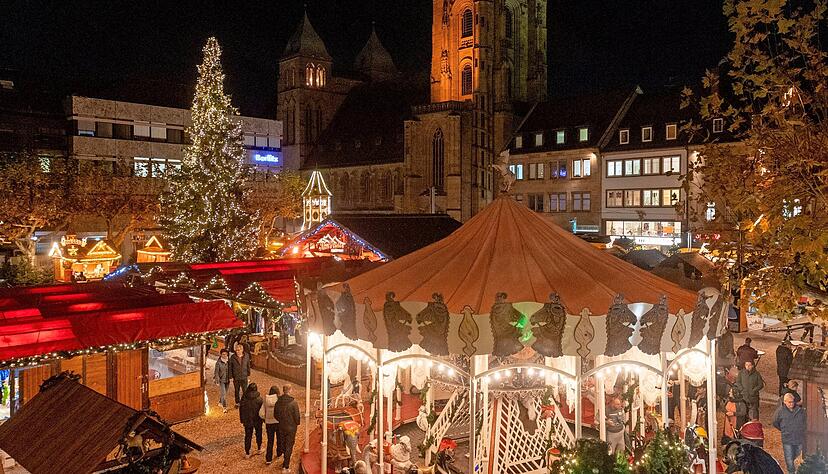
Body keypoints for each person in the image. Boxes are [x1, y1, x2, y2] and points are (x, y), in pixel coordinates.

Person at [773, 392, 806, 474]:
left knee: (797, 454)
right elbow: (775, 422)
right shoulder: (780, 411)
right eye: (789, 402)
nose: (791, 404)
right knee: (788, 458)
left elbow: (805, 422)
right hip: (787, 438)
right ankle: (791, 472)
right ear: (785, 402)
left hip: (799, 437)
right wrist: (783, 429)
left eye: (793, 401)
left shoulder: (800, 411)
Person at [275, 384, 301, 473]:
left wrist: (281, 421)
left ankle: (284, 458)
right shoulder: (293, 403)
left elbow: (275, 414)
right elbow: (297, 416)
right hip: (291, 427)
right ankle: (285, 466)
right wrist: (296, 423)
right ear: (290, 390)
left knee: (283, 442)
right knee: (289, 445)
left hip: (281, 426)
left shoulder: (278, 401)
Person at [239, 382, 264, 458]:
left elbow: (241, 410)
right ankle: (259, 448)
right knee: (258, 434)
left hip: (247, 420)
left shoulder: (244, 398)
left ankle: (247, 453)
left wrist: (242, 420)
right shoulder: (259, 399)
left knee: (248, 436)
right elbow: (262, 411)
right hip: (257, 420)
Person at [263, 385, 281, 466]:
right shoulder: (279, 400)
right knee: (279, 438)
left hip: (269, 423)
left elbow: (262, 412)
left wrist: (265, 419)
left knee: (270, 441)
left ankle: (268, 458)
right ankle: (279, 452)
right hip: (277, 422)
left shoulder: (265, 400)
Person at [229, 342, 250, 408]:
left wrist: (248, 373)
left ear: (242, 350)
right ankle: (237, 402)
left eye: (239, 350)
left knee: (245, 390)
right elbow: (230, 367)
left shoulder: (246, 355)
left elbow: (248, 365)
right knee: (237, 390)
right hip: (236, 377)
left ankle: (245, 402)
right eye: (236, 350)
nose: (237, 351)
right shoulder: (233, 357)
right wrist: (230, 375)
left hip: (244, 376)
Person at [212, 348, 230, 413]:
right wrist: (217, 380)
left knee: (224, 393)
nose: (224, 355)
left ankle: (220, 402)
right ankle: (224, 407)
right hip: (221, 380)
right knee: (224, 394)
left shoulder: (229, 361)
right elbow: (216, 372)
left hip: (227, 380)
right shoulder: (218, 363)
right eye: (223, 354)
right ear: (221, 354)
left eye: (225, 354)